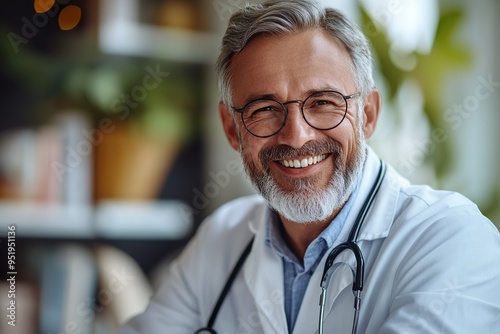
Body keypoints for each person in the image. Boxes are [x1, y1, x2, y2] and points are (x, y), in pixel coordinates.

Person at [119, 1, 500, 333]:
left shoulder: (451, 239)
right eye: (265, 109)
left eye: (323, 102)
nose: (296, 137)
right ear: (231, 129)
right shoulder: (221, 239)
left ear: (367, 114)